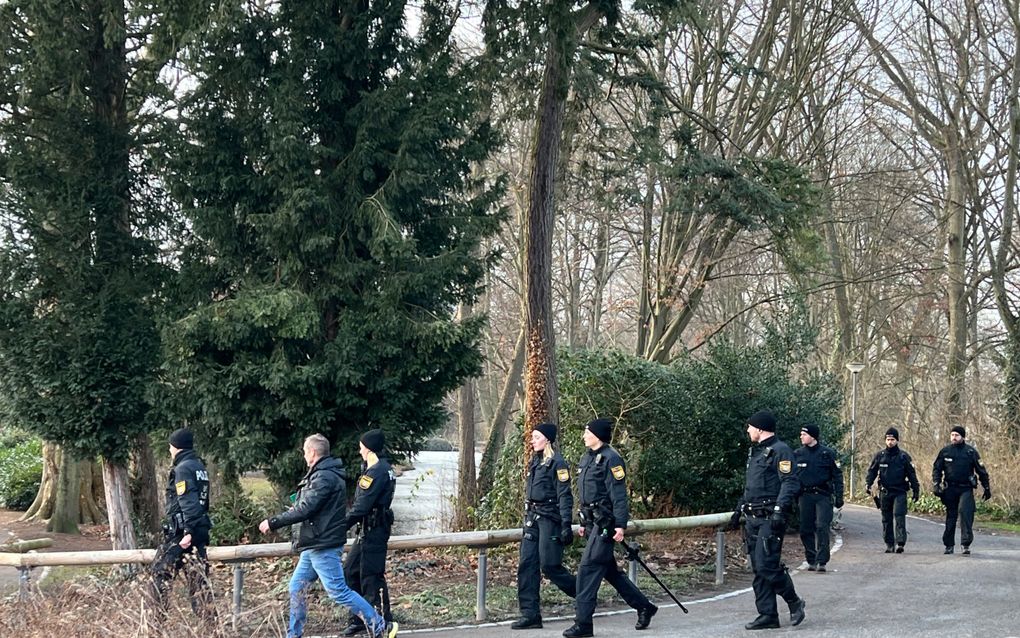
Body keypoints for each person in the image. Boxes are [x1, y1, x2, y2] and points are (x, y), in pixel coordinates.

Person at [259, 434, 397, 638]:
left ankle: (379, 626)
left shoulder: (325, 477)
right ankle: (293, 634)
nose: (304, 455)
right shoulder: (319, 474)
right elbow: (310, 506)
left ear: (312, 452)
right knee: (297, 587)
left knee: (338, 590)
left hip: (323, 543)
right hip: (313, 542)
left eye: (305, 451)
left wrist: (274, 521)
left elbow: (308, 508)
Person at [563, 418, 657, 638]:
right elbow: (587, 496)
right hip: (592, 523)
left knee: (587, 570)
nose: (584, 436)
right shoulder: (587, 458)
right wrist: (585, 523)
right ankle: (645, 607)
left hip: (606, 524)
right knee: (610, 572)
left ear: (597, 435)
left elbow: (618, 496)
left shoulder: (612, 459)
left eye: (587, 432)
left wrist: (620, 525)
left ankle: (583, 624)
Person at [727, 410, 806, 631]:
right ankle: (767, 614)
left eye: (750, 427)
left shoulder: (781, 451)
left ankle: (794, 601)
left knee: (766, 565)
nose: (748, 430)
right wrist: (738, 509)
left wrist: (780, 511)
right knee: (758, 569)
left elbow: (790, 483)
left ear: (760, 428)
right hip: (752, 518)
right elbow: (752, 486)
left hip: (769, 518)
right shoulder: (757, 453)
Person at [511, 422, 577, 630]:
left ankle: (584, 595)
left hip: (550, 519)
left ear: (547, 439)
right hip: (532, 519)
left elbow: (565, 496)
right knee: (527, 565)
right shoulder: (535, 462)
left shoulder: (558, 464)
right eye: (532, 437)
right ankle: (530, 615)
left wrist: (566, 523)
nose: (532, 441)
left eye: (536, 437)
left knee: (549, 565)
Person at [150, 428, 214, 617]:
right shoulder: (199, 467)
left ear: (176, 447)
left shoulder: (183, 468)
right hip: (200, 529)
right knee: (199, 583)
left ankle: (156, 623)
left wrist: (188, 532)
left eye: (170, 447)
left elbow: (188, 501)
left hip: (184, 532)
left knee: (160, 572)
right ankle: (210, 628)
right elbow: (204, 502)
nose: (170, 451)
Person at [340, 429, 398, 636]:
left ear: (369, 448)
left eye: (361, 446)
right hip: (368, 530)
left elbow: (361, 506)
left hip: (375, 530)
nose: (359, 450)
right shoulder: (377, 468)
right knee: (350, 571)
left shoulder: (378, 472)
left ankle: (382, 622)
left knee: (371, 577)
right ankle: (358, 618)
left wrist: (339, 526)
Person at [932, 425, 991, 555]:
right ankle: (949, 545)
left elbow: (981, 471)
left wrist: (986, 487)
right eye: (952, 435)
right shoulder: (945, 452)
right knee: (951, 516)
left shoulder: (970, 452)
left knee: (965, 513)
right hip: (950, 488)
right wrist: (936, 484)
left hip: (965, 488)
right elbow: (937, 469)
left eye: (957, 435)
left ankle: (965, 544)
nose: (954, 437)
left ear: (962, 437)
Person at [793, 424, 844, 572]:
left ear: (813, 436)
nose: (801, 436)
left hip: (823, 495)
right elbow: (792, 478)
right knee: (805, 529)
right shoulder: (797, 454)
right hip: (805, 496)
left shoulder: (828, 454)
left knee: (822, 526)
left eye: (804, 434)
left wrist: (839, 496)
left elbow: (837, 475)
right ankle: (811, 559)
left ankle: (822, 561)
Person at [864, 427, 920, 553]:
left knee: (899, 515)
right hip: (885, 492)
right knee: (886, 518)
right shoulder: (880, 456)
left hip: (900, 491)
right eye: (888, 439)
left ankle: (900, 542)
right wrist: (868, 484)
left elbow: (912, 474)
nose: (890, 442)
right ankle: (889, 543)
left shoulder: (903, 457)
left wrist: (916, 489)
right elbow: (872, 471)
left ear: (897, 440)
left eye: (892, 439)